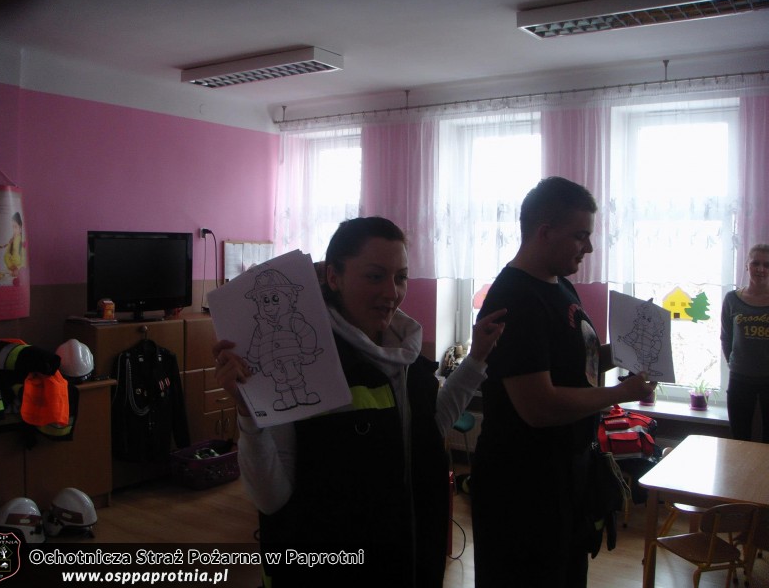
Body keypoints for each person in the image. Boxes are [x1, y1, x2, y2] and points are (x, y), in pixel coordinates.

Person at [213, 216, 506, 588]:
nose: (391, 292)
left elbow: (431, 428)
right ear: (333, 277)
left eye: (400, 277)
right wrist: (248, 413)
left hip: (409, 562)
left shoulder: (407, 358)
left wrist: (477, 358)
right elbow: (271, 498)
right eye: (374, 276)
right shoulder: (309, 365)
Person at [471, 177, 655, 588]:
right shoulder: (516, 298)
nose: (588, 248)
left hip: (564, 477)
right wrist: (622, 393)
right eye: (580, 236)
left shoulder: (561, 286)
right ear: (545, 232)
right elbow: (539, 407)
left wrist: (628, 350)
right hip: (522, 488)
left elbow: (577, 363)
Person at [721, 243, 769, 443]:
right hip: (740, 379)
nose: (761, 269)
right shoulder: (732, 299)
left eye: (767, 264)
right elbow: (726, 338)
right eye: (756, 263)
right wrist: (734, 363)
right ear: (747, 265)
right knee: (739, 438)